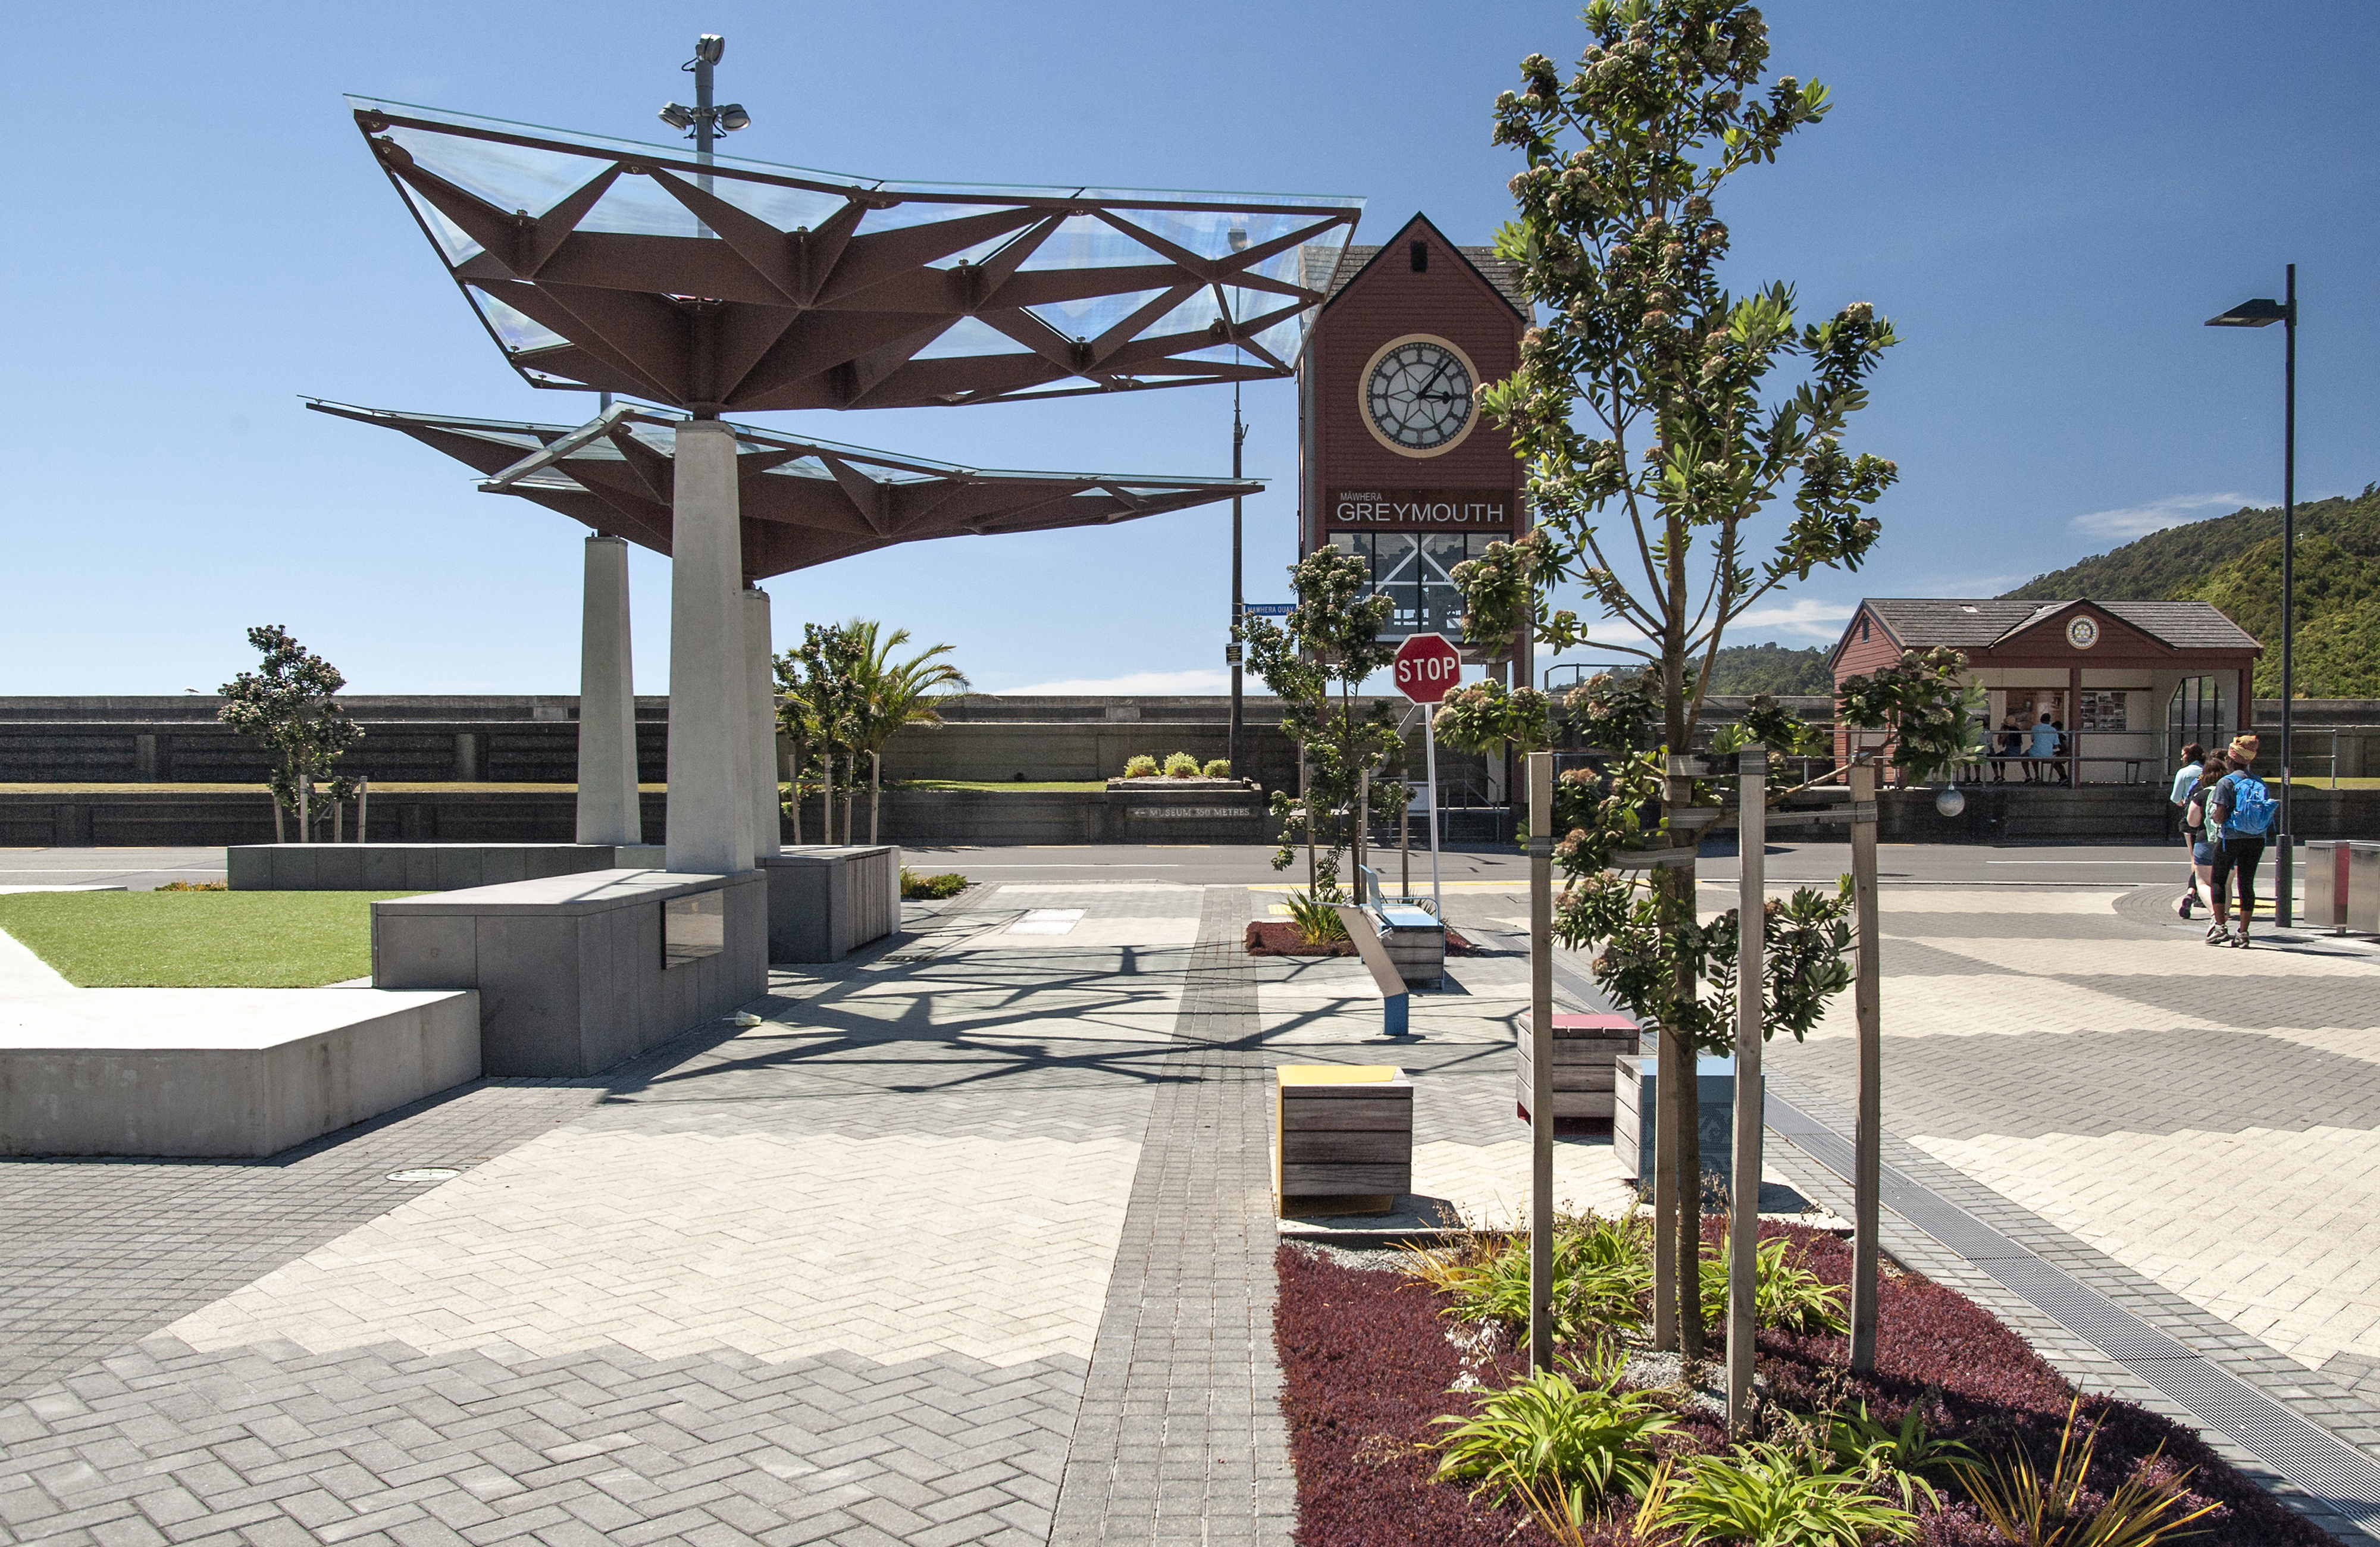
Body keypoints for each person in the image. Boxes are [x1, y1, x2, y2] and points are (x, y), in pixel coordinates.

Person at [2204, 735, 2275, 947]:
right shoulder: (2259, 782)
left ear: (2231, 759)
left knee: (2218, 879)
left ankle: (2219, 928)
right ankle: (2243, 933)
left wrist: (2214, 817)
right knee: (2247, 883)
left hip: (2231, 837)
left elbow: (2220, 815)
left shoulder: (2226, 782)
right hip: (2256, 838)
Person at [2182, 750, 2228, 928]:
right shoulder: (2231, 791)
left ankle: (2217, 916)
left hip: (2205, 840)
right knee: (2226, 884)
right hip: (2228, 840)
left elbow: (2192, 822)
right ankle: (2224, 914)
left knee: (2203, 882)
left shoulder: (2202, 794)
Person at [2169, 741, 2206, 917]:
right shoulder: (2207, 771)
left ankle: (2195, 891)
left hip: (2191, 818)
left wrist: (2184, 803)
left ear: (2188, 756)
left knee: (2195, 857)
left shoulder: (2184, 773)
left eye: (2183, 755)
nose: (2182, 758)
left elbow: (2176, 797)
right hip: (2208, 819)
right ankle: (2199, 891)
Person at [2028, 713, 2060, 785]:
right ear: (2049, 721)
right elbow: (2056, 745)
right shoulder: (2053, 730)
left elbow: (2033, 740)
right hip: (2048, 754)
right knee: (2037, 753)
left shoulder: (2035, 728)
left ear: (2041, 720)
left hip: (2036, 753)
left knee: (2026, 756)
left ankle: (2034, 776)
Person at [1993, 715, 2022, 783]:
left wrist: (2000, 732)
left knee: (1994, 758)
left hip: (2010, 752)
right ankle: (2002, 777)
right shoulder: (2018, 730)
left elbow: (2000, 742)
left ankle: (1998, 776)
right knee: (2001, 756)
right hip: (2017, 752)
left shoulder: (2008, 732)